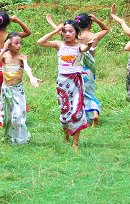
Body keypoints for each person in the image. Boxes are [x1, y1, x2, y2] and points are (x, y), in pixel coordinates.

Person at [37, 18, 94, 149]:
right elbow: (40, 42)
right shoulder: (59, 44)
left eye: (70, 31)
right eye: (65, 31)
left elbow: (84, 48)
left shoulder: (79, 45)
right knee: (65, 109)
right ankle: (66, 134)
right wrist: (56, 30)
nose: (67, 34)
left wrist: (89, 45)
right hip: (62, 83)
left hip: (75, 83)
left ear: (76, 32)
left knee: (77, 110)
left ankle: (75, 144)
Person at [0, 33, 42, 144]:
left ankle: (21, 139)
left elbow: (27, 68)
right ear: (9, 44)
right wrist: (4, 48)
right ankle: (9, 137)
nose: (19, 46)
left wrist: (32, 78)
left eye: (20, 43)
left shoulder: (22, 57)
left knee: (18, 116)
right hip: (6, 90)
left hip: (17, 90)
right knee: (7, 117)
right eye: (16, 43)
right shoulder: (4, 56)